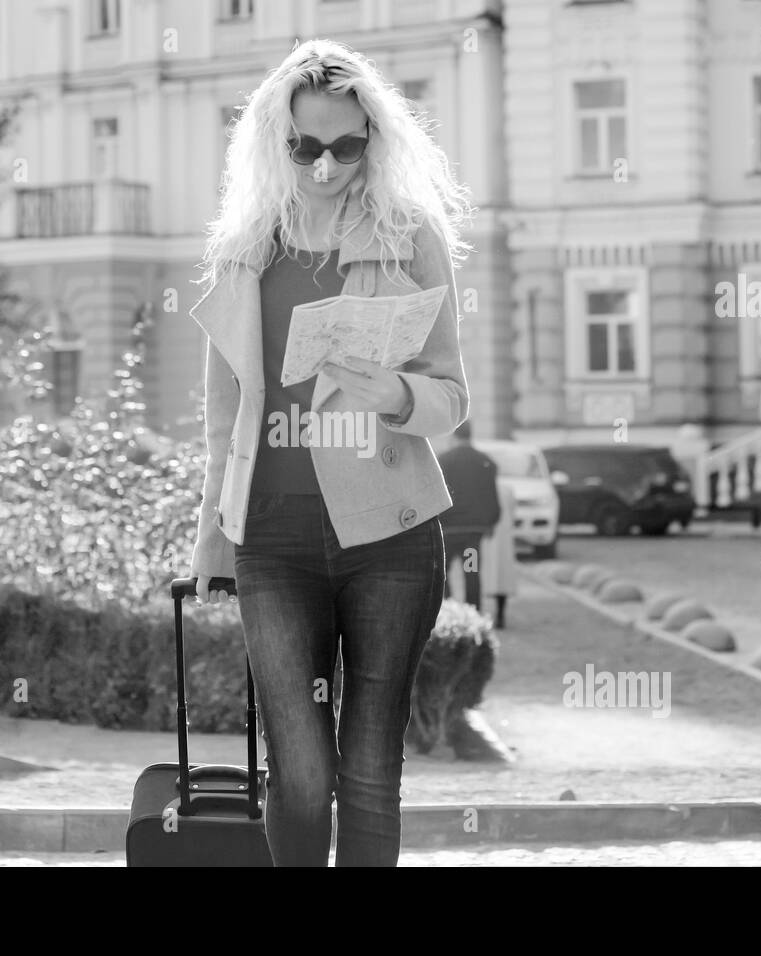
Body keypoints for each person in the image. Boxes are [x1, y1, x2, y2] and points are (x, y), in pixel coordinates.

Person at [185, 39, 474, 867]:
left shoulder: (411, 236)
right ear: (276, 143)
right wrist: (211, 533)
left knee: (372, 772)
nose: (324, 165)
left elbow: (453, 397)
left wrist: (395, 396)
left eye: (346, 146)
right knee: (302, 774)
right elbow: (223, 416)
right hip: (271, 536)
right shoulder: (245, 248)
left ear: (374, 141)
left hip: (389, 533)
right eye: (306, 146)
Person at [436, 420, 502, 612]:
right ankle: (473, 614)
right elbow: (491, 495)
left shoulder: (443, 460)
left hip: (448, 531)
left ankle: (449, 612)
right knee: (471, 572)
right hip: (473, 533)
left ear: (453, 434)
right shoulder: (486, 462)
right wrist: (491, 521)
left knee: (443, 574)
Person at [480, 481, 518, 629]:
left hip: (476, 540)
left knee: (471, 571)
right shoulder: (507, 489)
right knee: (502, 576)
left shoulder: (476, 487)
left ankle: (473, 613)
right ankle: (500, 614)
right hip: (501, 540)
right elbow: (513, 512)